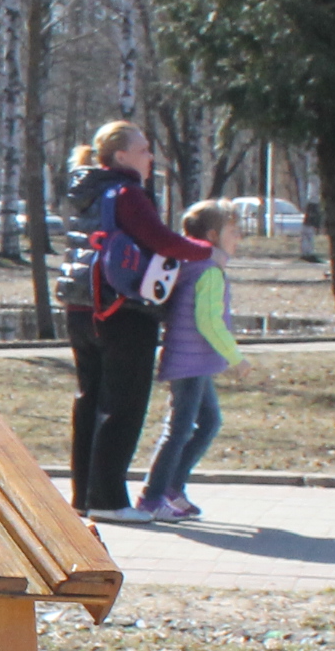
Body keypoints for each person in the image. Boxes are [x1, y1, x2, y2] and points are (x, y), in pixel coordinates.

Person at [56, 119, 212, 522]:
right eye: (143, 150)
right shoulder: (127, 192)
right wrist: (205, 249)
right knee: (123, 404)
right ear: (121, 155)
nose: (150, 157)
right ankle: (109, 501)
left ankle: (84, 497)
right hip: (121, 309)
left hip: (81, 305)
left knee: (89, 401)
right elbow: (161, 240)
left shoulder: (85, 192)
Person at [135, 201, 244, 522]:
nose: (238, 237)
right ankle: (152, 496)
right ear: (212, 235)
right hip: (189, 362)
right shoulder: (208, 271)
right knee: (180, 428)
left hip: (196, 361)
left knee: (208, 422)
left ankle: (172, 487)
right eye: (233, 231)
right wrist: (236, 358)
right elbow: (209, 322)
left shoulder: (197, 266)